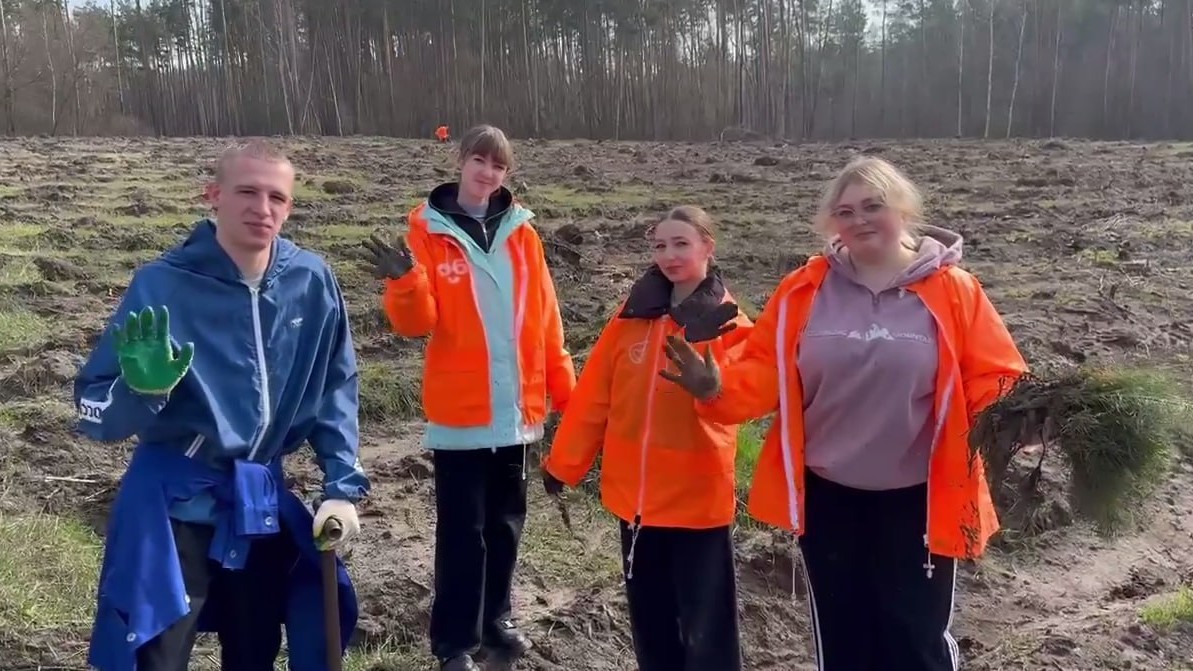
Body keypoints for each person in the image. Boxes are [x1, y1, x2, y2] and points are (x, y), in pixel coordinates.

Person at [662, 156, 1028, 671]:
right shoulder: (804, 290)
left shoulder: (954, 291)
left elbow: (992, 376)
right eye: (845, 211)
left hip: (919, 500)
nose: (859, 220)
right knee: (843, 636)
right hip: (828, 499)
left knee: (916, 638)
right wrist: (716, 389)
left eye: (873, 206)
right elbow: (765, 367)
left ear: (903, 209)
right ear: (832, 223)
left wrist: (1019, 415)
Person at [75, 139, 369, 671]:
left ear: (290, 206)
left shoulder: (312, 281)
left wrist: (341, 487)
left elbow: (335, 387)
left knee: (254, 649)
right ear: (214, 195)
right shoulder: (161, 284)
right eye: (248, 192)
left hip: (258, 506)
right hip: (174, 510)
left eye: (277, 197)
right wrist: (141, 392)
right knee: (155, 655)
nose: (263, 208)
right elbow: (93, 409)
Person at [362, 124, 576, 671]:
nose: (488, 173)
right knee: (463, 532)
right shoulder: (428, 230)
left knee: (507, 524)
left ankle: (496, 620)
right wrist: (405, 281)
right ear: (461, 161)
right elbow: (418, 324)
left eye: (499, 166)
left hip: (518, 410)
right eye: (480, 160)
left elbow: (546, 318)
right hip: (462, 410)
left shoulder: (524, 233)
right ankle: (454, 641)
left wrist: (564, 391)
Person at [540, 206, 752, 671]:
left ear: (707, 247)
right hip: (636, 504)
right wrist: (564, 464)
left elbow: (752, 392)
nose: (670, 255)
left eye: (682, 244)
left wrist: (715, 386)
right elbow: (596, 394)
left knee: (707, 631)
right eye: (660, 245)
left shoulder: (728, 322)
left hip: (698, 503)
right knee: (652, 625)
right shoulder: (631, 315)